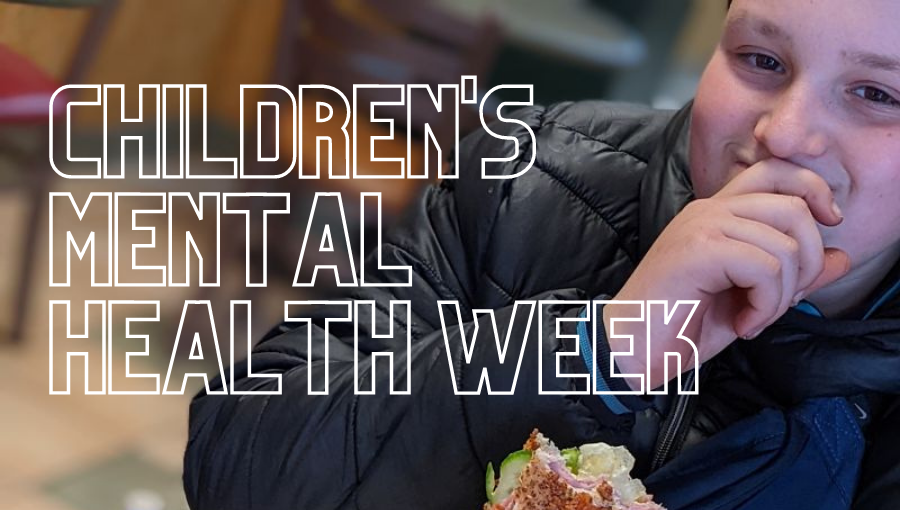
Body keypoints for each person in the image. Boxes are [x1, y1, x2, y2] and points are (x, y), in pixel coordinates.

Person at [183, 0, 900, 508]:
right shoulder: (529, 173)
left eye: (875, 93)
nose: (783, 133)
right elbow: (234, 467)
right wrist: (595, 351)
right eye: (760, 59)